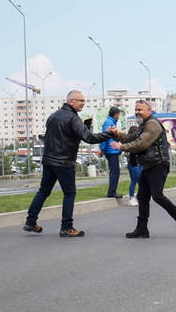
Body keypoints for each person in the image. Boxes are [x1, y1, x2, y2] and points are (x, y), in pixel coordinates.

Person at [22, 90, 112, 238]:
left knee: (43, 191)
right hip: (64, 162)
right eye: (80, 100)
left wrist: (84, 127)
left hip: (49, 160)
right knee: (69, 193)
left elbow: (61, 135)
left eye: (84, 101)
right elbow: (89, 138)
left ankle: (30, 221)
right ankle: (67, 227)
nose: (83, 103)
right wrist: (110, 134)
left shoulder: (53, 116)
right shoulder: (73, 118)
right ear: (71, 101)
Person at [107, 100, 176, 239]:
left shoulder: (152, 124)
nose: (137, 112)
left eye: (140, 109)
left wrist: (121, 147)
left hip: (158, 164)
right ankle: (142, 229)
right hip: (148, 165)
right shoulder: (143, 125)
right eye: (136, 109)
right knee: (142, 197)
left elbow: (141, 143)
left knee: (157, 195)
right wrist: (117, 134)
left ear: (149, 110)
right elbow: (131, 137)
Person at [100, 106, 123, 198]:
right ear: (116, 114)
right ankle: (111, 192)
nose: (119, 117)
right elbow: (104, 137)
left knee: (115, 172)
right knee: (115, 172)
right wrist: (102, 149)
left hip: (113, 150)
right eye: (118, 115)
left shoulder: (111, 122)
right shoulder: (108, 123)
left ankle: (112, 191)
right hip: (111, 151)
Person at [125, 124, 142, 207]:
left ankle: (139, 197)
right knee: (134, 181)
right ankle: (131, 198)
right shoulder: (129, 143)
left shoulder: (139, 141)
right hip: (133, 163)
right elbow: (128, 154)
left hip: (140, 163)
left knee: (141, 181)